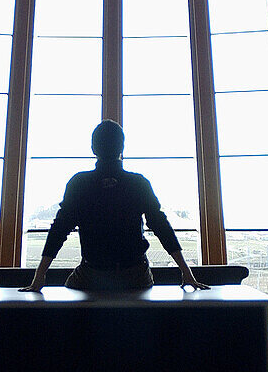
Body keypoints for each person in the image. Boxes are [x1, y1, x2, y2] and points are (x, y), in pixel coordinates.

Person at [20, 120, 210, 293]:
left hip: (92, 274)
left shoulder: (79, 183)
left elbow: (59, 230)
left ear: (93, 148)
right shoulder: (138, 183)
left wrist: (39, 276)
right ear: (122, 148)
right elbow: (161, 226)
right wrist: (186, 272)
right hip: (135, 275)